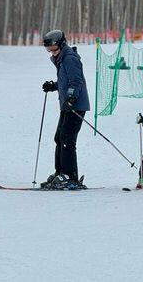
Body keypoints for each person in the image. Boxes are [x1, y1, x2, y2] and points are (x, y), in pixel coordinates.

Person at [40, 29, 90, 190]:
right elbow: (65, 81)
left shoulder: (70, 58)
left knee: (67, 139)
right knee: (59, 137)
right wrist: (54, 86)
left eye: (53, 49)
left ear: (61, 44)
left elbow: (76, 82)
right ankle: (60, 172)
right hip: (67, 104)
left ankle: (70, 176)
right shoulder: (62, 59)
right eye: (48, 50)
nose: (52, 53)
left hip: (76, 105)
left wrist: (71, 98)